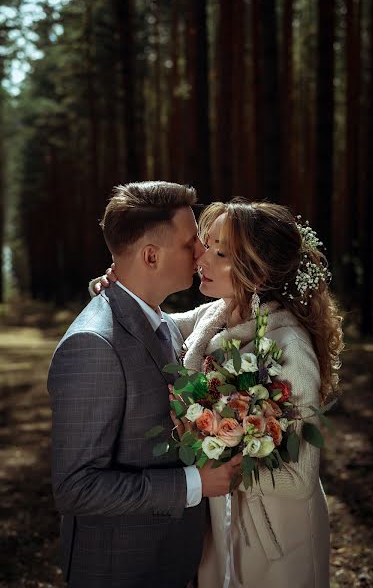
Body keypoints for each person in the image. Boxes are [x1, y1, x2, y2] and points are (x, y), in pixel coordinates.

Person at [92, 198, 344, 588]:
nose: (201, 259)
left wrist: (218, 460)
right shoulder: (216, 314)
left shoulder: (289, 348)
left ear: (257, 273)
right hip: (219, 519)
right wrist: (120, 289)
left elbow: (299, 478)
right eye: (206, 244)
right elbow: (154, 327)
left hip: (276, 533)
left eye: (220, 252)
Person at [48, 181, 242, 588]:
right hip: (120, 570)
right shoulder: (92, 346)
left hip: (171, 559)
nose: (202, 254)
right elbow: (76, 489)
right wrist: (196, 484)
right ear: (151, 256)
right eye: (192, 243)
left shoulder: (159, 321)